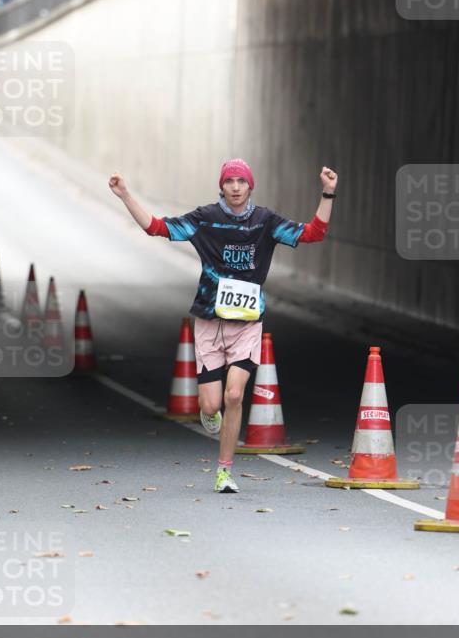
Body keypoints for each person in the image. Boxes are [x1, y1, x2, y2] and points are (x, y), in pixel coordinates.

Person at [108, 159, 337, 493]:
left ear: (250, 186)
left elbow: (314, 234)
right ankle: (210, 414)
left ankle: (224, 471)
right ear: (222, 186)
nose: (235, 187)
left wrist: (328, 193)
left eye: (240, 181)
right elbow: (157, 227)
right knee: (210, 405)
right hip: (209, 323)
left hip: (246, 325)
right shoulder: (206, 219)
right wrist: (125, 194)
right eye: (229, 181)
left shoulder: (266, 221)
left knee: (234, 395)